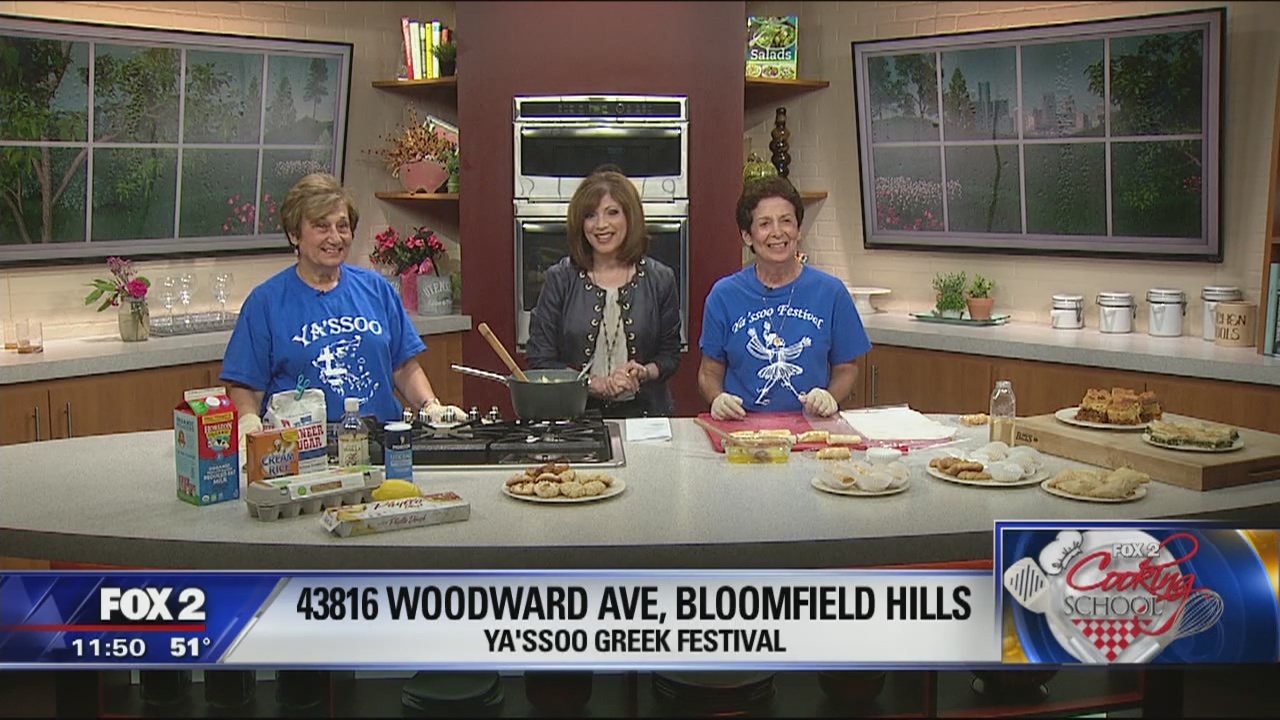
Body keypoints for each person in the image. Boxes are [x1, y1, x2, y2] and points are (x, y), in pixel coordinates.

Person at [221, 172, 457, 438]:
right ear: (294, 234)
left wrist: (431, 406)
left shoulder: (376, 289)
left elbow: (402, 366)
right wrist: (249, 423)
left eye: (342, 226)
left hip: (383, 441)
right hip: (302, 449)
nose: (335, 237)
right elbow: (246, 386)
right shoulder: (265, 302)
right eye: (322, 226)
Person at [698, 176, 871, 420]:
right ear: (748, 236)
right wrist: (717, 399)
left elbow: (847, 367)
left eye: (786, 221)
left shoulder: (831, 292)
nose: (777, 233)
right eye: (765, 224)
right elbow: (709, 372)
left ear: (798, 230)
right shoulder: (723, 295)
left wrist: (829, 396)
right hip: (743, 429)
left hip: (812, 428)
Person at [525, 169, 682, 418]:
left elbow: (670, 355)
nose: (601, 225)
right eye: (590, 215)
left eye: (612, 213)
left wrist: (644, 372)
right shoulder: (560, 278)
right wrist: (591, 383)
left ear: (630, 217)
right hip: (574, 417)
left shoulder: (660, 278)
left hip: (646, 417)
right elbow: (540, 358)